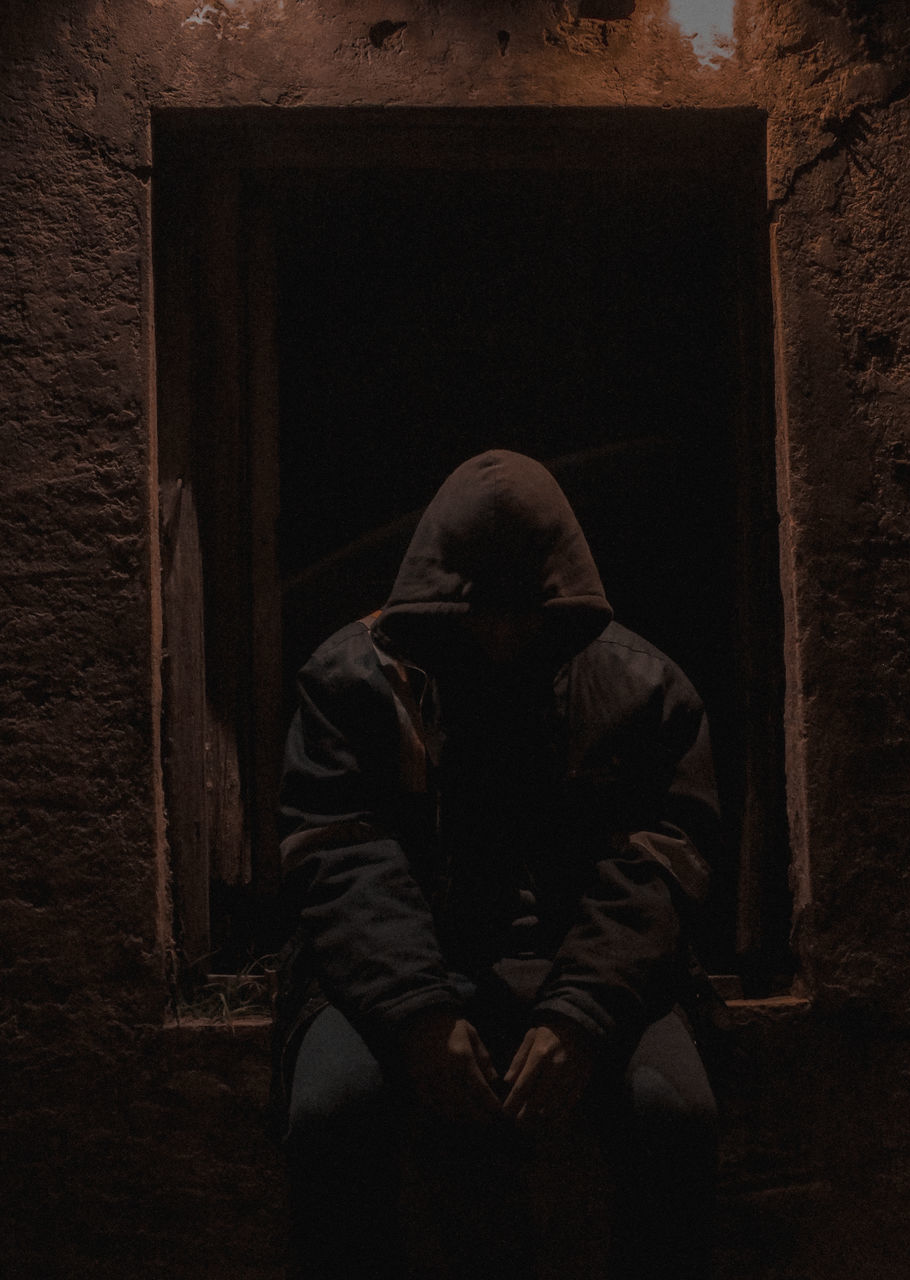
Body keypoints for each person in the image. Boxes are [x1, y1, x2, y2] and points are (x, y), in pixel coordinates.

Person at [274, 449, 724, 1280]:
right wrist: (415, 1012)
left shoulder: (643, 688)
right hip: (412, 962)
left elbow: (659, 862)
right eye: (480, 611)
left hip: (576, 957)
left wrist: (583, 1015)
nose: (503, 635)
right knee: (331, 1113)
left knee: (677, 1116)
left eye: (527, 612)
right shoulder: (353, 682)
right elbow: (339, 851)